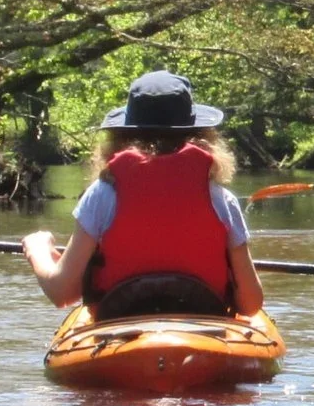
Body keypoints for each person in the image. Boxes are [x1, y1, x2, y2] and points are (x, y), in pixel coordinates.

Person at [25, 70, 265, 320]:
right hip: (203, 325)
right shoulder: (221, 199)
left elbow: (62, 292)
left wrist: (38, 249)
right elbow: (250, 303)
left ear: (120, 135)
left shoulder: (102, 195)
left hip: (119, 329)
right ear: (202, 135)